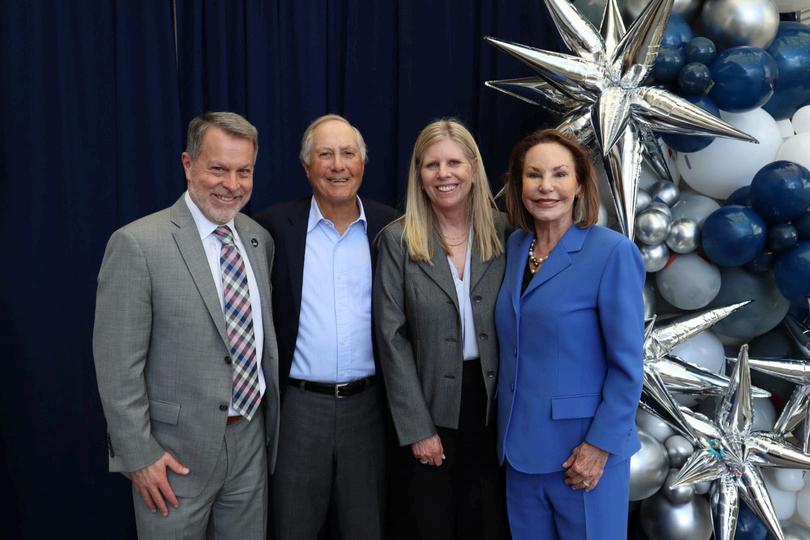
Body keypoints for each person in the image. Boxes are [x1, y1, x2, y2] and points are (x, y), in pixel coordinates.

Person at [93, 112, 280, 539]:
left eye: (244, 171)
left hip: (250, 445)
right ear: (188, 164)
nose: (232, 184)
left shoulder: (258, 239)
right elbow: (117, 365)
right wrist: (138, 455)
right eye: (218, 169)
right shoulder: (138, 244)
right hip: (173, 457)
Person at [494, 128, 644, 539]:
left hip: (584, 455)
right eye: (534, 175)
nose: (546, 186)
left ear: (579, 184)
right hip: (519, 453)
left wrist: (599, 446)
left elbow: (628, 365)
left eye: (559, 174)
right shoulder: (514, 248)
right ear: (518, 185)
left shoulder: (611, 252)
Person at [254, 114, 399, 540]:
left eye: (348, 154)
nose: (338, 165)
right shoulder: (273, 228)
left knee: (366, 528)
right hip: (298, 411)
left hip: (370, 409)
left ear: (363, 164)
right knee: (292, 528)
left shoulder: (391, 227)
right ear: (306, 167)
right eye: (325, 155)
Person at [374, 118, 509, 540]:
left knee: (486, 523)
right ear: (419, 174)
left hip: (494, 409)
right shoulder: (397, 240)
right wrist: (418, 428)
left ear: (473, 167)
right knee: (428, 522)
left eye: (454, 163)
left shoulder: (506, 232)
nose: (443, 174)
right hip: (429, 405)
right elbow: (391, 339)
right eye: (431, 165)